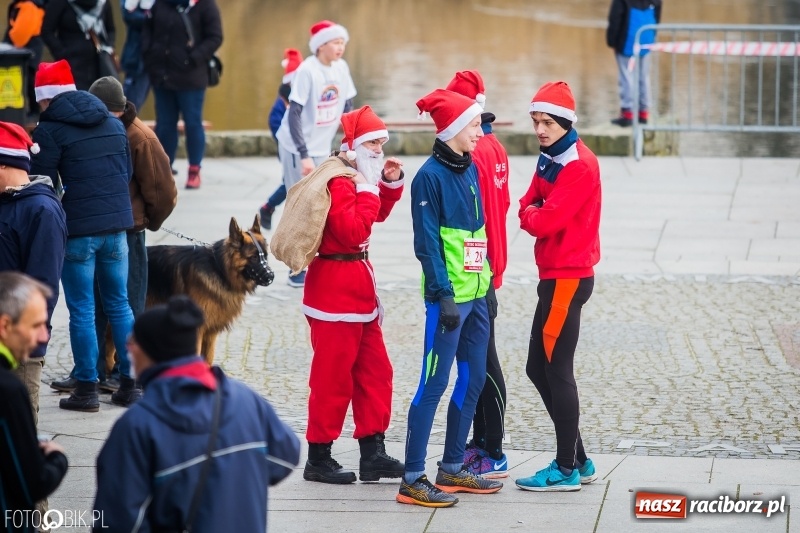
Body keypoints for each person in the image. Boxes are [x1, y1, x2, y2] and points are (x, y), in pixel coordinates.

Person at [93, 295, 300, 532]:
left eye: (131, 344)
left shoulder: (137, 426)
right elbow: (286, 456)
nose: (128, 351)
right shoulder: (247, 400)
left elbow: (115, 521)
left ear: (144, 351)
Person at [397, 89, 503, 508]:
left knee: (475, 377)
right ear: (455, 128)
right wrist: (443, 297)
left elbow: (477, 236)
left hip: (476, 297)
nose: (481, 132)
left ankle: (453, 466)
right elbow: (427, 245)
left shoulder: (470, 167)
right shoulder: (428, 177)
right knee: (434, 383)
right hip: (449, 302)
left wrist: (489, 285)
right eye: (475, 125)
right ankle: (411, 478)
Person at [50, 76, 177, 404]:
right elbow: (122, 176)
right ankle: (115, 378)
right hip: (116, 228)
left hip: (105, 231)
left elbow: (163, 193)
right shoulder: (114, 129)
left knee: (101, 306)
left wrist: (148, 223)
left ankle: (101, 381)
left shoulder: (136, 136)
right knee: (111, 305)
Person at [301, 106, 405, 485]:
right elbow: (353, 231)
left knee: (376, 373)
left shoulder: (357, 178)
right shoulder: (342, 181)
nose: (378, 149)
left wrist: (387, 185)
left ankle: (372, 452)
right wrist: (368, 188)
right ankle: (319, 455)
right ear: (355, 145)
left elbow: (373, 216)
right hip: (335, 292)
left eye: (381, 142)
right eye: (373, 142)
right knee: (332, 379)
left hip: (358, 290)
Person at [31, 59, 136, 413]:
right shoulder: (113, 121)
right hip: (117, 229)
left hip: (78, 231)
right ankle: (129, 384)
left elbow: (41, 183)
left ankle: (88, 390)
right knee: (120, 303)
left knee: (83, 310)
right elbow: (125, 172)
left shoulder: (50, 128)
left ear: (45, 99)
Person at [515, 81, 601, 492]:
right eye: (536, 122)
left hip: (568, 277)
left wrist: (533, 212)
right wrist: (533, 210)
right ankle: (579, 460)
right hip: (553, 276)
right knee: (537, 367)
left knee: (557, 369)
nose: (540, 130)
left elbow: (542, 219)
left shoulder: (579, 164)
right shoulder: (551, 156)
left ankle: (566, 468)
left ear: (565, 123)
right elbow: (527, 203)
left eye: (547, 122)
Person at [444, 70, 511, 479]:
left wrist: (475, 275)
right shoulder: (494, 146)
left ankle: (493, 449)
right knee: (478, 360)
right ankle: (481, 441)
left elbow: (475, 219)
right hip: (490, 266)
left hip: (479, 273)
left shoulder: (474, 152)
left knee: (483, 363)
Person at [274, 20, 357, 287]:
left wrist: (350, 142)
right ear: (321, 45)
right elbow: (295, 113)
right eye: (336, 42)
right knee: (299, 203)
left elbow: (348, 104)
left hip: (323, 146)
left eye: (343, 43)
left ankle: (322, 258)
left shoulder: (342, 68)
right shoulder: (308, 71)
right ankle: (294, 268)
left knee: (326, 202)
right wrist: (304, 154)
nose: (340, 47)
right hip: (297, 145)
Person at [0, 120, 67, 425]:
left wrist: (27, 341)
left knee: (17, 431)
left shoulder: (41, 210)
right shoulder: (8, 201)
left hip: (19, 345)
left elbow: (43, 285)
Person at [0, 272, 69, 533]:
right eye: (35, 325)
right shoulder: (8, 390)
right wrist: (57, 459)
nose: (43, 336)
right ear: (5, 326)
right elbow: (31, 484)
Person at [141, 0, 223, 189]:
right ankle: (164, 169)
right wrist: (149, 53)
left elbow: (215, 37)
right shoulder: (160, 4)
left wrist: (193, 58)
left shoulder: (205, 5)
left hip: (191, 77)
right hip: (162, 74)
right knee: (165, 124)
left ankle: (194, 169)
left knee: (193, 123)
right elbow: (147, 28)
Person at [259, 48, 303, 231]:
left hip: (302, 146)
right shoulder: (284, 99)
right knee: (291, 182)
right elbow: (275, 123)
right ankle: (269, 207)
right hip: (288, 147)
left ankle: (270, 208)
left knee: (293, 182)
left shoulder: (300, 94)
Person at [606, 0, 662, 126]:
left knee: (626, 76)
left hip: (626, 40)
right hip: (646, 38)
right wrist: (653, 35)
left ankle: (628, 113)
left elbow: (615, 18)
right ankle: (644, 112)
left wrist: (612, 41)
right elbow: (657, 15)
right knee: (644, 76)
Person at [40, 0, 116, 91]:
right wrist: (61, 53)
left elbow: (110, 29)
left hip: (99, 63)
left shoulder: (103, 3)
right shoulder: (59, 2)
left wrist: (108, 47)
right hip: (71, 64)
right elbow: (46, 30)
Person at [3, 0, 46, 118]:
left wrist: (9, 46)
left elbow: (20, 36)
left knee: (28, 81)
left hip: (26, 47)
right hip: (24, 47)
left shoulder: (28, 6)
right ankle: (31, 111)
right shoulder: (22, 5)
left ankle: (33, 112)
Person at [119, 0, 153, 110]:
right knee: (129, 105)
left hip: (159, 58)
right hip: (138, 59)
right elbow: (128, 14)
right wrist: (153, 19)